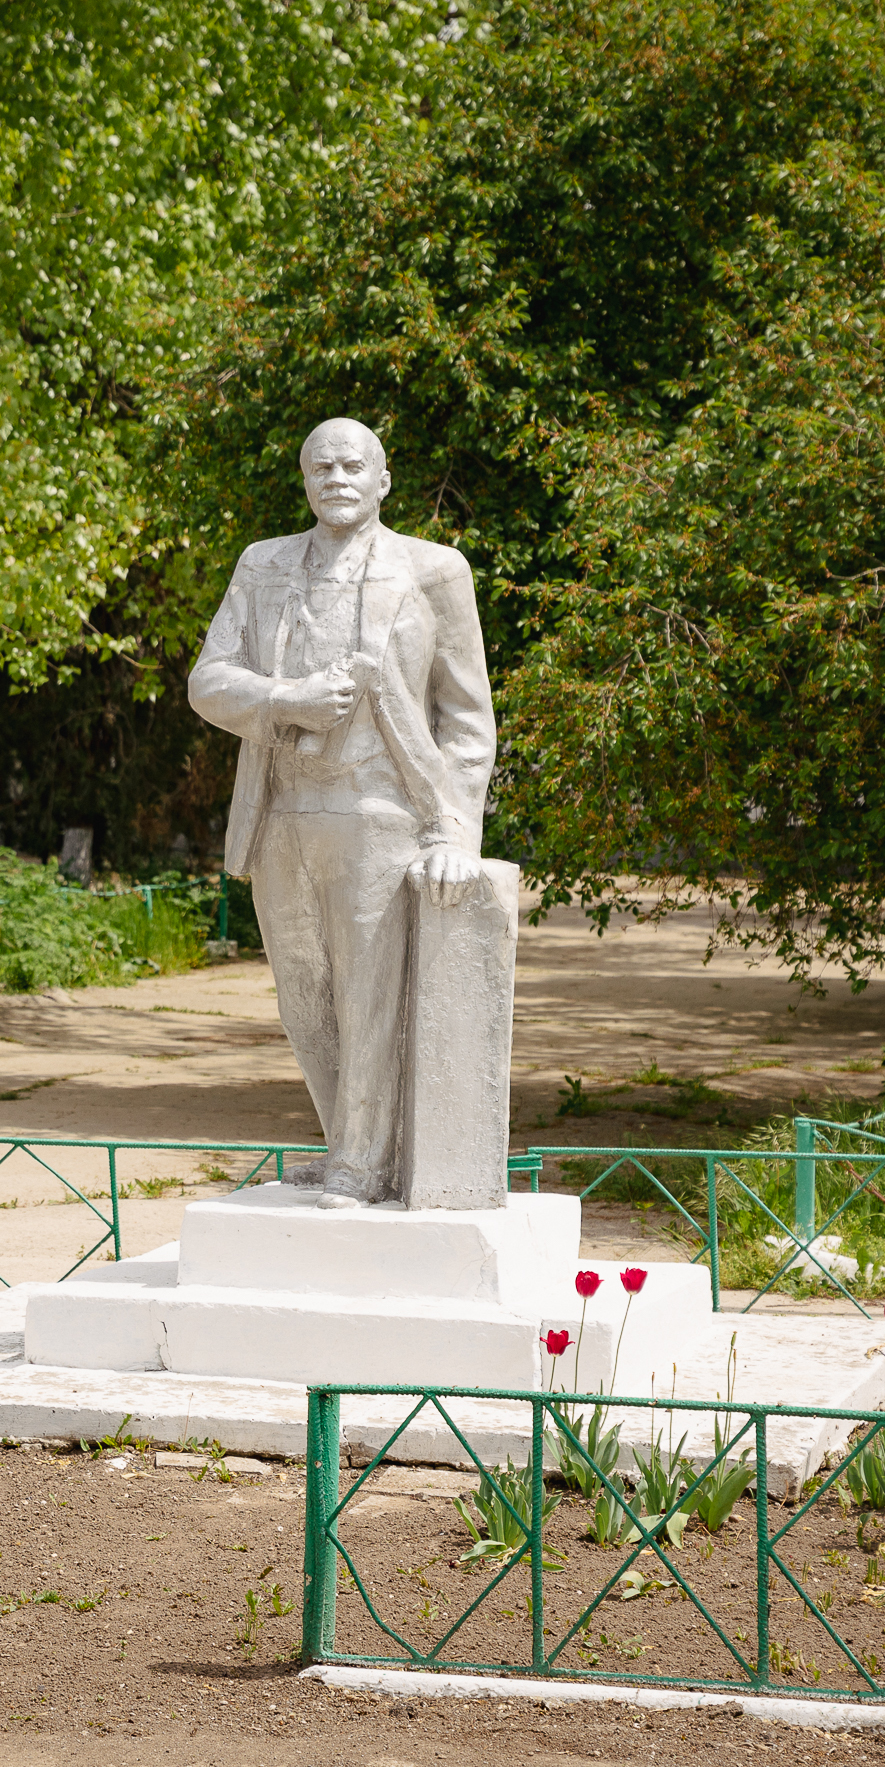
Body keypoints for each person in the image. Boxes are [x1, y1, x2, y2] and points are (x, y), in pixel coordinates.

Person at [189, 418, 496, 1208]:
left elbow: (467, 721)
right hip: (284, 812)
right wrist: (284, 697)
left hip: (382, 812)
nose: (337, 477)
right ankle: (349, 1145)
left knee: (367, 996)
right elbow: (209, 680)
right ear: (304, 480)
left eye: (354, 464)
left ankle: (362, 1166)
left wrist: (455, 832)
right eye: (321, 465)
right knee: (304, 998)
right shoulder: (263, 566)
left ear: (384, 478)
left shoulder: (434, 571)